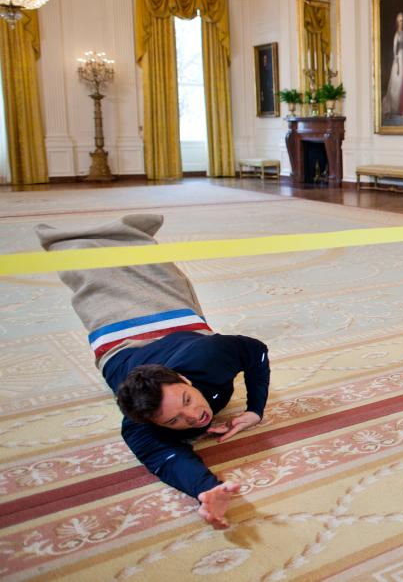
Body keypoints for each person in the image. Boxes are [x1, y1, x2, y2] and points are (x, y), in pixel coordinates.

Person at [35, 214, 270, 530]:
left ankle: (120, 234)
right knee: (102, 280)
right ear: (154, 422)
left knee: (147, 274)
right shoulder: (139, 425)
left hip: (166, 330)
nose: (194, 416)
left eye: (187, 399)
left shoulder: (212, 354)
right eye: (174, 421)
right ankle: (81, 238)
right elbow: (166, 459)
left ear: (184, 380)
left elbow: (257, 353)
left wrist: (256, 410)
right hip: (122, 347)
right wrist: (205, 489)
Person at [382, 12, 403, 118]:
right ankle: (396, 108)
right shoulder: (397, 34)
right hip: (398, 60)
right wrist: (397, 65)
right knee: (397, 84)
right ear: (397, 22)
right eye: (399, 21)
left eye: (402, 20)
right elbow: (395, 51)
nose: (401, 22)